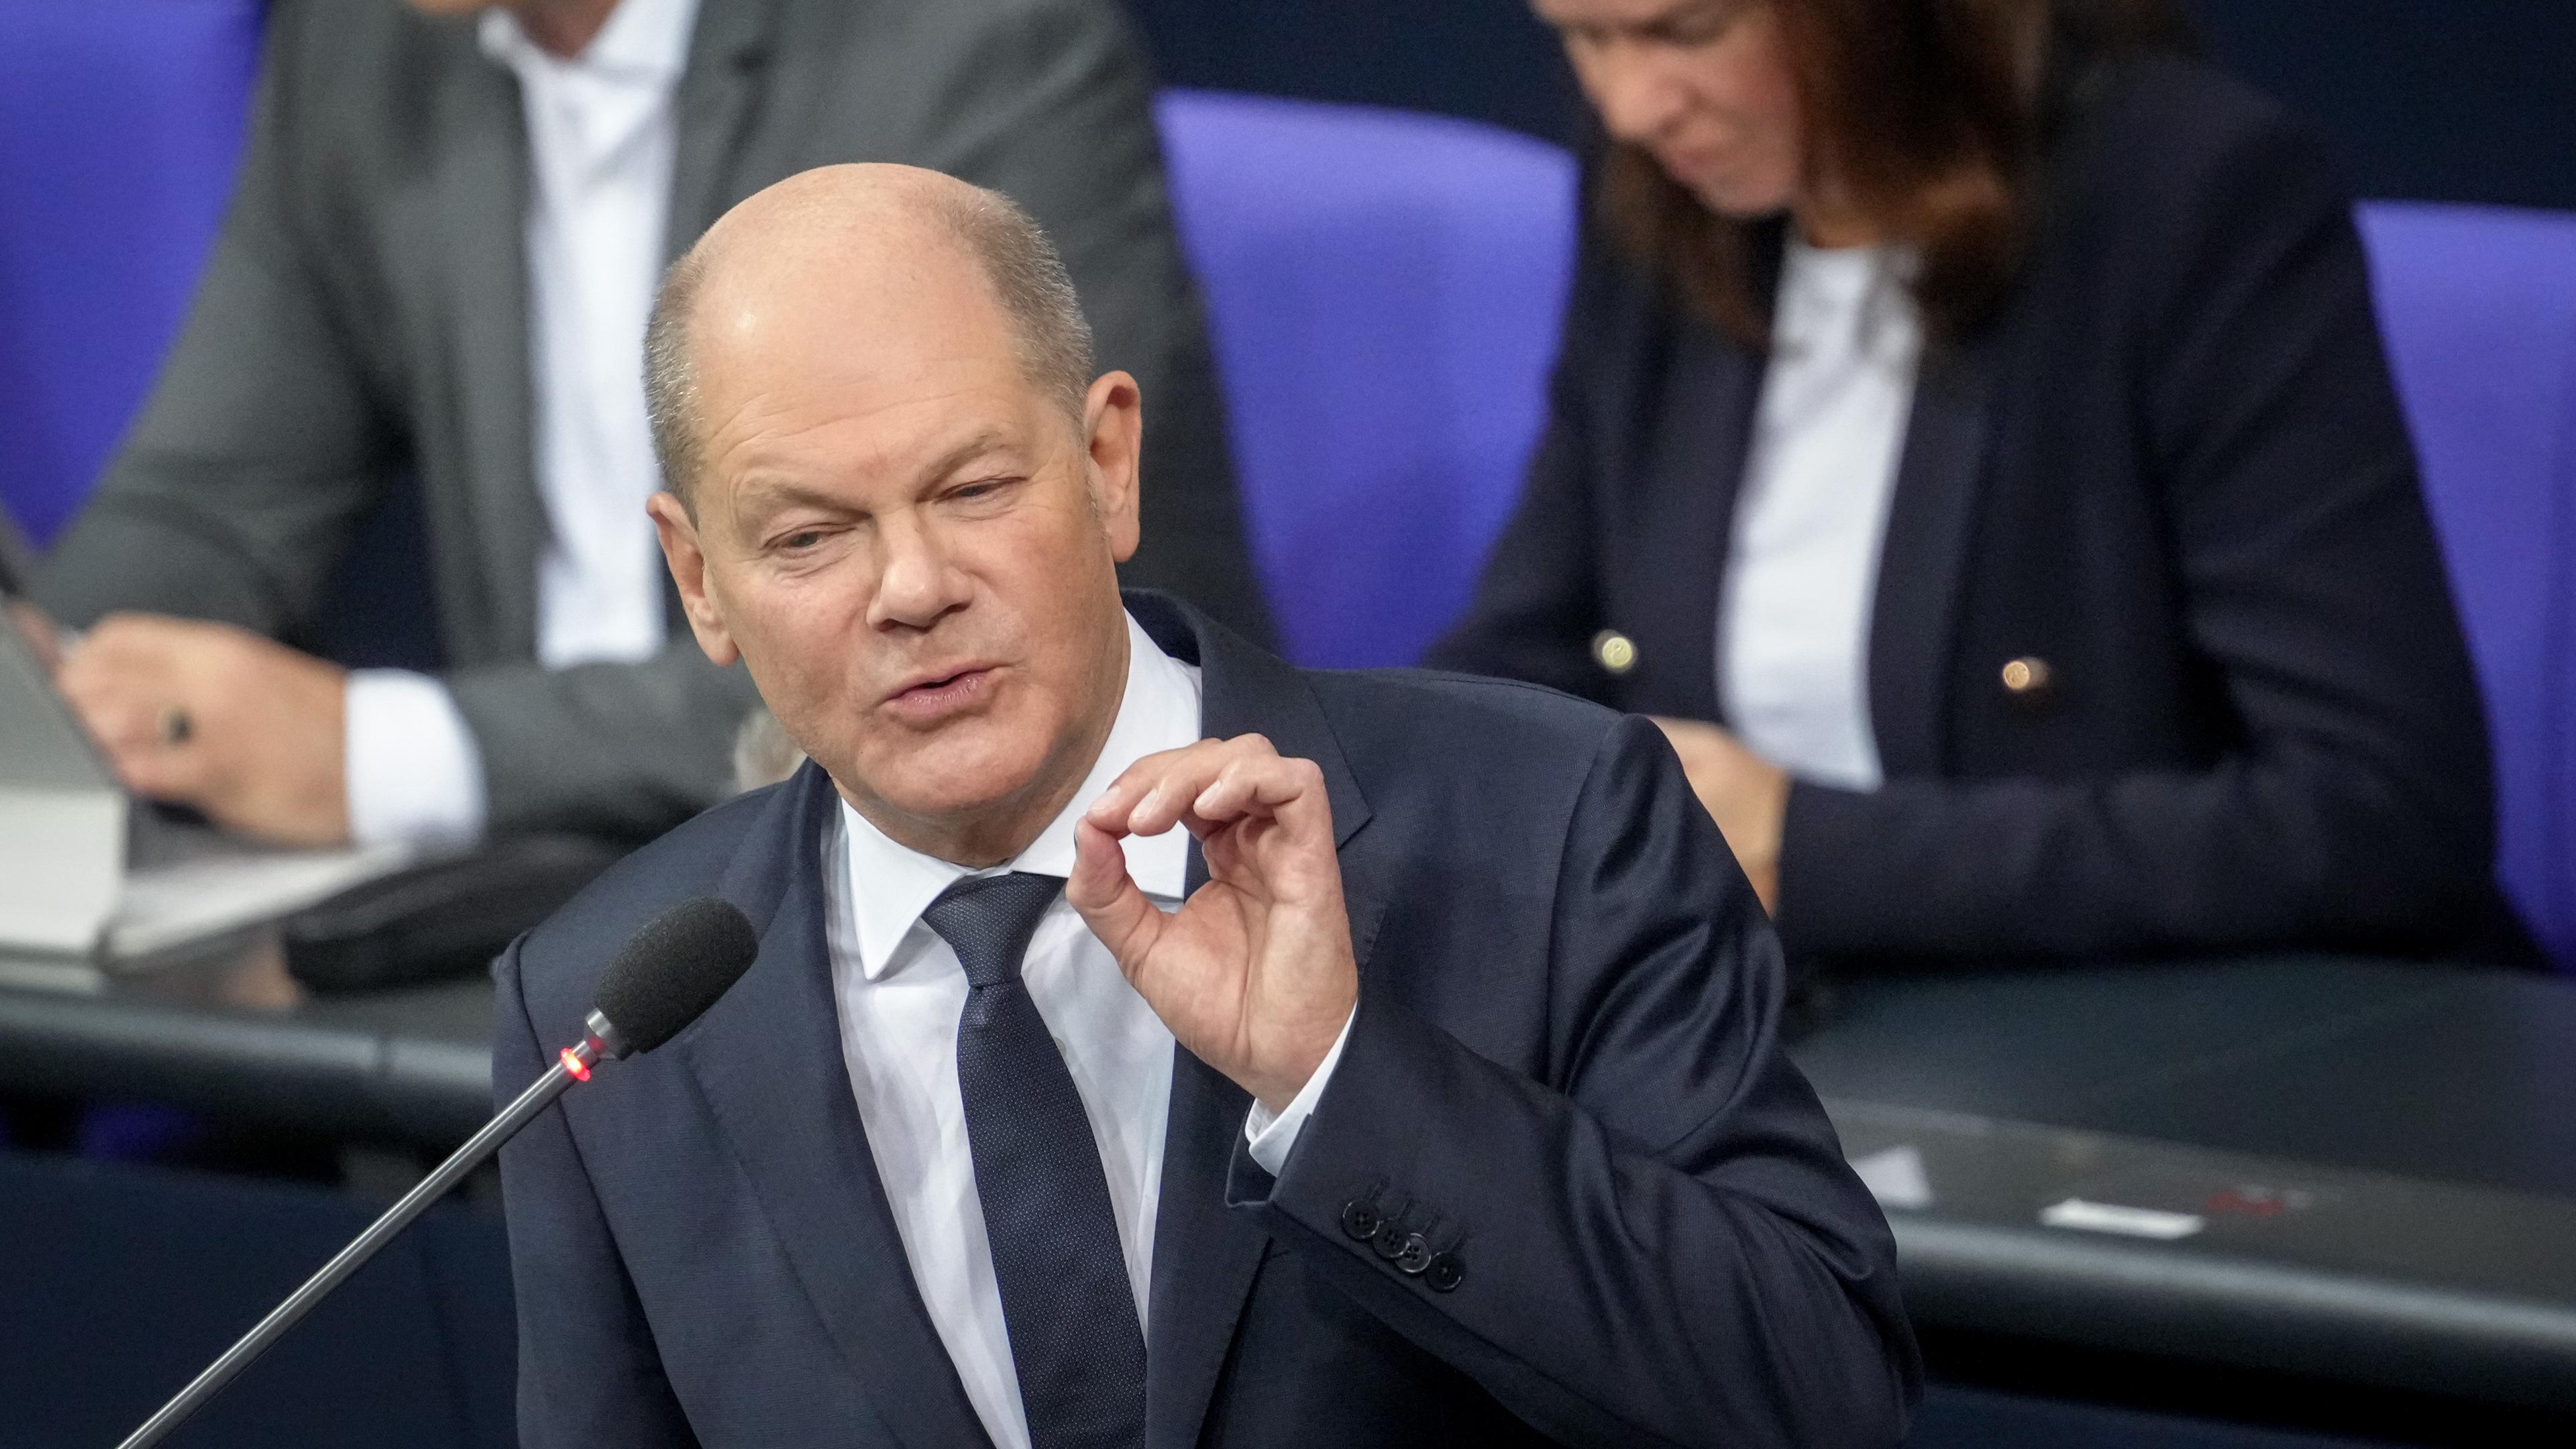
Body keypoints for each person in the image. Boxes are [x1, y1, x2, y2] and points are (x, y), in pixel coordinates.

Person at [494, 164, 1916, 1448]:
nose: (912, 588)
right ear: (698, 581)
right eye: (809, 537)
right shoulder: (605, 1020)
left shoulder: (1546, 825)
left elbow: (1819, 1396)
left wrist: (1335, 1078)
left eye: (976, 488)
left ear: (1108, 463)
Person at [1430, 0, 2526, 965]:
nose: (1632, 105)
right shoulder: (1659, 192)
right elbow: (1529, 651)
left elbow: (2381, 814)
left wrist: (1813, 854)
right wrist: (1350, 773)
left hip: (2156, 1044)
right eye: (1580, 37)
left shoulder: (2186, 191)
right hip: (1769, 1027)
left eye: (1689, 30)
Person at [32, 0, 1271, 854]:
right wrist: (36, 680)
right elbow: (207, 507)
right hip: (521, 880)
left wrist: (385, 756)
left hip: (936, 860)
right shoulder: (365, 48)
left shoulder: (966, 40)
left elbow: (1023, 614)